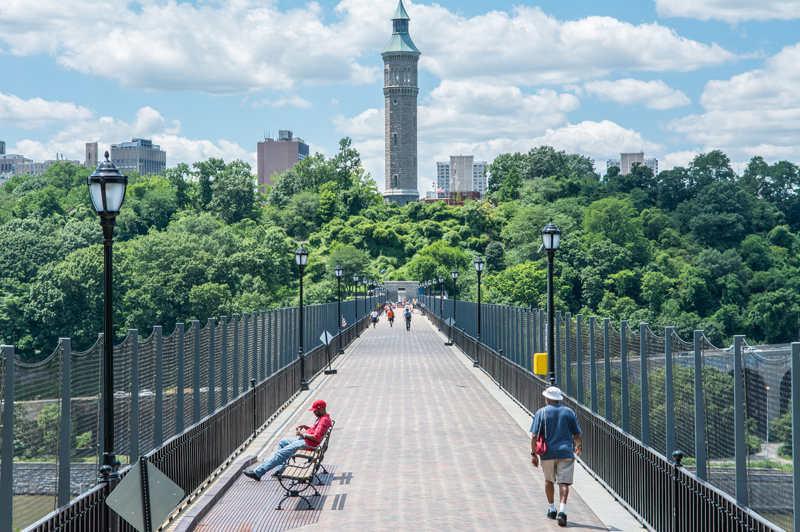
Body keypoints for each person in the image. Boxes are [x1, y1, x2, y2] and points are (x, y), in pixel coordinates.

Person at [530, 386, 582, 527]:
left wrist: (533, 453)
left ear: (547, 398)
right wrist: (579, 446)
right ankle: (562, 511)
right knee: (563, 483)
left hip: (547, 453)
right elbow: (577, 434)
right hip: (566, 452)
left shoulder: (541, 412)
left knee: (549, 480)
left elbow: (535, 436)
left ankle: (552, 509)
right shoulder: (569, 412)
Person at [243, 399, 332, 481]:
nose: (314, 412)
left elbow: (317, 437)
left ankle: (257, 473)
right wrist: (306, 427)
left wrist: (303, 434)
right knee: (283, 442)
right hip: (307, 441)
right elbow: (318, 432)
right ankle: (279, 470)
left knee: (280, 454)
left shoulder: (323, 420)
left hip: (308, 444)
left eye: (315, 410)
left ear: (321, 410)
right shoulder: (324, 418)